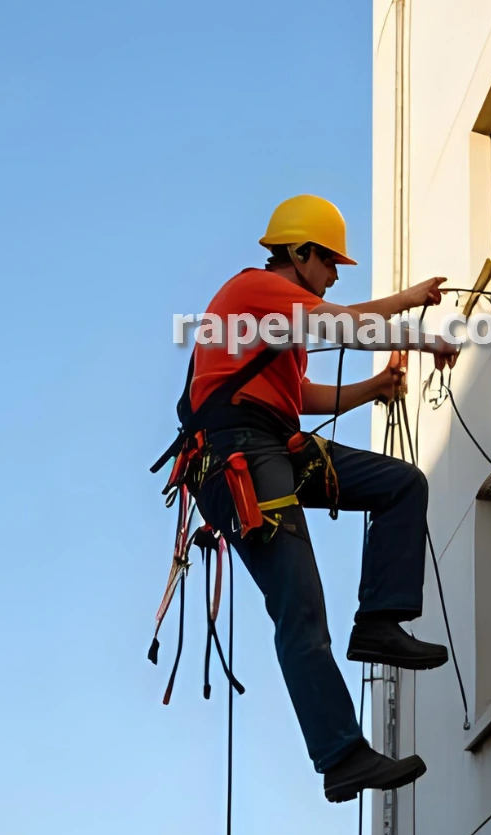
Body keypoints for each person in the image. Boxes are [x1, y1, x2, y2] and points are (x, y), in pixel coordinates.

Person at [185, 194, 457, 803]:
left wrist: (378, 378)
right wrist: (420, 335)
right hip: (242, 458)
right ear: (301, 254)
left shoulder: (281, 317)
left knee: (401, 485)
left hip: (274, 447)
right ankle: (341, 755)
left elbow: (300, 393)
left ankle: (379, 625)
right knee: (300, 603)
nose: (334, 272)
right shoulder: (256, 291)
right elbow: (344, 323)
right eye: (330, 261)